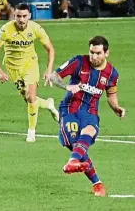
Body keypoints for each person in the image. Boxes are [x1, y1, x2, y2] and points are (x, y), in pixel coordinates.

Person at [50, 36, 126, 197]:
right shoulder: (78, 62)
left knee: (89, 130)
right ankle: (96, 183)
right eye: (91, 52)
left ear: (106, 53)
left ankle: (73, 164)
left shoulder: (112, 73)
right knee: (76, 145)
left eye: (98, 53)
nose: (94, 57)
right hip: (69, 110)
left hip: (90, 112)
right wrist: (66, 86)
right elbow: (53, 76)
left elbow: (111, 95)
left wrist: (116, 108)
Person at [0, 3, 59, 142]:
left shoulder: (36, 28)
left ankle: (31, 132)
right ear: (14, 16)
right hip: (13, 68)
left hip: (30, 64)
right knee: (29, 99)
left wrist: (49, 70)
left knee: (31, 97)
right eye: (18, 16)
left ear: (29, 16)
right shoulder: (6, 30)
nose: (21, 19)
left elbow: (50, 49)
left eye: (24, 16)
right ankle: (48, 104)